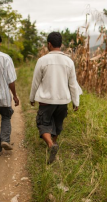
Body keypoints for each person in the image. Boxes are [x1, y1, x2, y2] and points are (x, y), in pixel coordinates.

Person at [29, 32, 82, 164]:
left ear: (49, 44)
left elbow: (36, 81)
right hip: (63, 100)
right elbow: (73, 84)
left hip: (46, 100)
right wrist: (76, 102)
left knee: (43, 123)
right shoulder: (69, 61)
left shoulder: (42, 61)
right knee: (58, 124)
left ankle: (51, 145)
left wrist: (32, 98)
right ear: (61, 44)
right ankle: (53, 144)